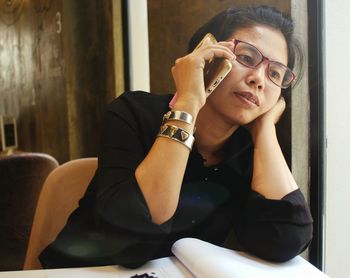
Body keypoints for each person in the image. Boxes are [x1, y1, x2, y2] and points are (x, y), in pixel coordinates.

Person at [40, 5, 313, 268]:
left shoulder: (250, 151)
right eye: (246, 58)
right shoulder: (134, 113)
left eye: (275, 73)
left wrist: (265, 129)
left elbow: (284, 241)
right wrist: (188, 103)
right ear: (207, 56)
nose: (259, 79)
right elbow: (131, 244)